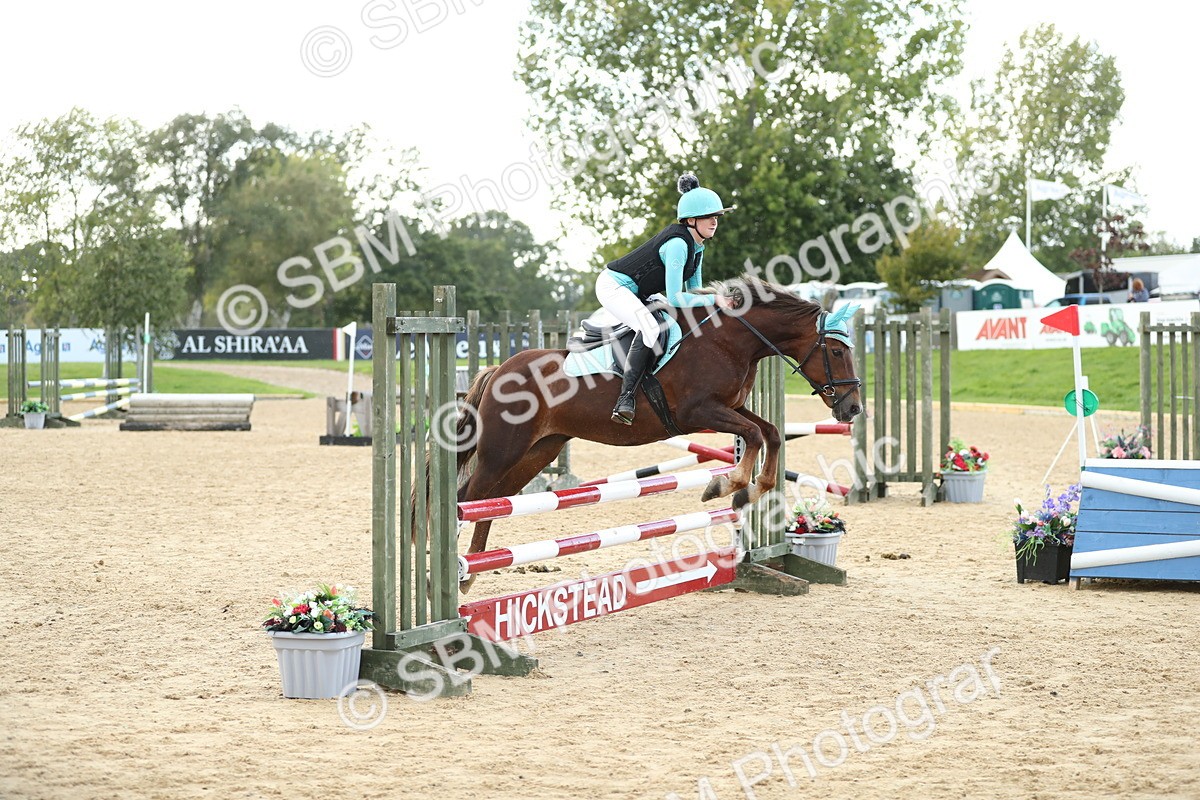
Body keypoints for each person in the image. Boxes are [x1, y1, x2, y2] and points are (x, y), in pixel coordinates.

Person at [596, 173, 737, 425]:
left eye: (716, 217)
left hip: (639, 291)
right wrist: (715, 299)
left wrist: (716, 302)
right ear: (691, 220)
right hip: (614, 286)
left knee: (673, 323)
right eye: (708, 217)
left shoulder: (698, 247)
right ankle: (625, 400)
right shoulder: (678, 245)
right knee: (650, 328)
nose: (715, 221)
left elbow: (694, 293)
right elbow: (675, 298)